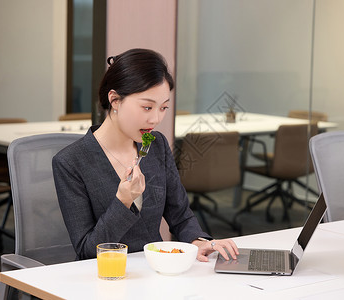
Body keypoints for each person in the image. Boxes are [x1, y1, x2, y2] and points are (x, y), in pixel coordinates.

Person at [52, 48, 239, 262]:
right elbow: (87, 251)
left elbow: (180, 215)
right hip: (105, 277)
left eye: (163, 108)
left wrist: (198, 241)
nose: (156, 119)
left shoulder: (155, 144)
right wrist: (123, 201)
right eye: (147, 107)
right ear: (114, 100)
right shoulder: (70, 162)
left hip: (154, 270)